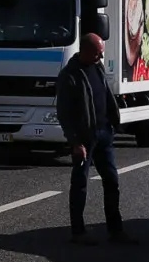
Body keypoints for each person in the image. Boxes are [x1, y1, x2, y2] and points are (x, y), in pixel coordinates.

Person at [55, 33, 134, 245]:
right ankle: (78, 232)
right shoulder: (70, 75)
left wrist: (114, 122)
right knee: (80, 183)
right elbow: (64, 113)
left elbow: (106, 96)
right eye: (97, 53)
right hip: (84, 139)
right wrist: (74, 142)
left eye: (101, 53)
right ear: (86, 51)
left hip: (104, 134)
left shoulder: (97, 68)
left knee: (112, 182)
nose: (101, 57)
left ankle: (116, 231)